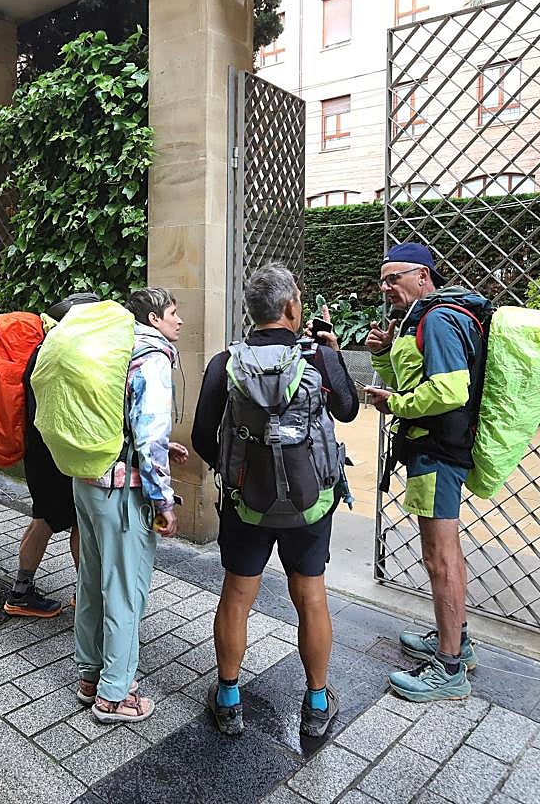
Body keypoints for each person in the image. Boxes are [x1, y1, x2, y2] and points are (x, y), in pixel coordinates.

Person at [193, 263, 357, 738]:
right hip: (310, 503)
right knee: (310, 595)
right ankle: (317, 701)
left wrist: (237, 473)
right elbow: (348, 410)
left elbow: (202, 436)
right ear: (290, 308)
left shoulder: (225, 363)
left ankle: (228, 698)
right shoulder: (317, 359)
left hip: (246, 501)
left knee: (237, 595)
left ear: (251, 312)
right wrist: (333, 353)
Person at [363, 241, 490, 702]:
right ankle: (457, 639)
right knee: (447, 553)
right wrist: (383, 355)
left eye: (393, 278)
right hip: (435, 449)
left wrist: (395, 404)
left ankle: (450, 669)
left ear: (422, 276)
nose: (385, 287)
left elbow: (450, 391)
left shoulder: (436, 319)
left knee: (439, 557)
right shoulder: (426, 317)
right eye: (382, 279)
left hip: (435, 452)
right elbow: (412, 379)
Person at [74, 288, 188, 723]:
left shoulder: (109, 346)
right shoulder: (152, 357)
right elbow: (149, 430)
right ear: (154, 318)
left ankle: (91, 675)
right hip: (122, 492)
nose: (179, 321)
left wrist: (151, 448)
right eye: (173, 312)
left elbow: (118, 418)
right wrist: (163, 500)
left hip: (87, 479)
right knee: (124, 589)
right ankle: (115, 695)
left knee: (91, 581)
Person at [3, 292, 99, 618]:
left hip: (42, 455)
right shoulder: (59, 354)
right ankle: (84, 596)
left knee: (44, 520)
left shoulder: (45, 349)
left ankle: (22, 591)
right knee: (77, 523)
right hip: (57, 457)